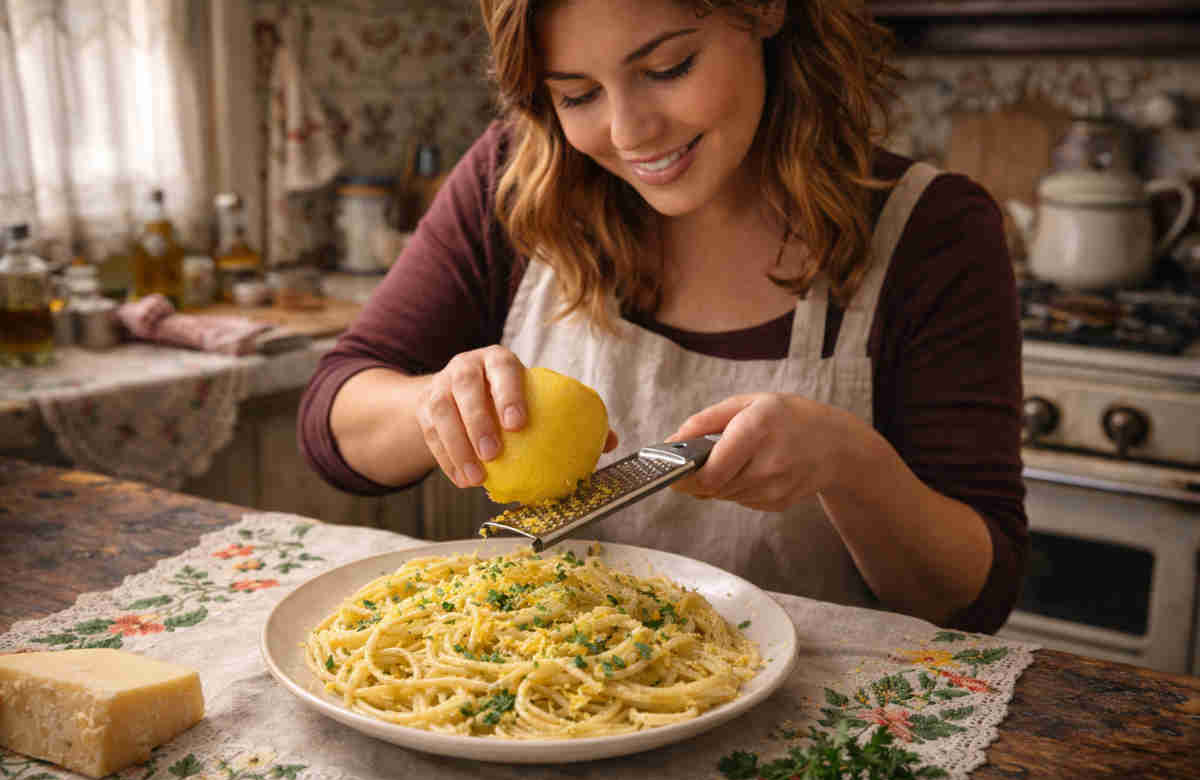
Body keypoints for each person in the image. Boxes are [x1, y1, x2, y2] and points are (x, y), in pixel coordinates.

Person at [299, 0, 1027, 634]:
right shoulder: (513, 182)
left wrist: (849, 465)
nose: (630, 131)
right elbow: (333, 421)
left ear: (765, 8)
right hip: (545, 713)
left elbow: (970, 599)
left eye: (669, 67)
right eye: (577, 94)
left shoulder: (934, 231)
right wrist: (433, 405)